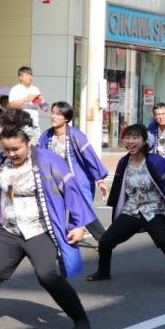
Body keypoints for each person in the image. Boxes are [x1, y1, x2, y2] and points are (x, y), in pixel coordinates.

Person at [0, 124, 95, 329]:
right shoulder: (1, 163)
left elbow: (71, 191)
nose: (11, 154)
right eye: (6, 149)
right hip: (9, 229)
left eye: (16, 149)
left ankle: (80, 318)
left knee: (48, 276)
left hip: (39, 228)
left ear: (28, 142)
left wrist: (79, 224)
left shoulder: (48, 160)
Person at [87, 123, 165, 289]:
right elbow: (119, 190)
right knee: (105, 241)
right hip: (132, 211)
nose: (130, 141)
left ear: (144, 141)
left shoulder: (156, 161)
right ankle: (103, 272)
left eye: (135, 137)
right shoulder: (123, 162)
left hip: (153, 211)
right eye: (127, 137)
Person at [39, 101, 109, 241]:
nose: (53, 116)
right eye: (52, 113)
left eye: (58, 114)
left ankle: (105, 241)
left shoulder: (76, 135)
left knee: (81, 213)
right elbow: (39, 156)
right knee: (54, 212)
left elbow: (90, 156)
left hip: (75, 180)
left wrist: (99, 180)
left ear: (66, 118)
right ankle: (60, 242)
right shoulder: (46, 136)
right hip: (53, 182)